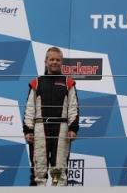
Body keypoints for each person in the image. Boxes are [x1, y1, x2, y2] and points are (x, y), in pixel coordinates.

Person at [23, 47, 79, 186]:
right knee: (38, 171)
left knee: (59, 171)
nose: (54, 62)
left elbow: (73, 107)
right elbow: (30, 108)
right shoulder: (37, 82)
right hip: (40, 128)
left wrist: (73, 128)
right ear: (46, 61)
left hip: (62, 129)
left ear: (61, 62)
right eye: (52, 59)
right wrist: (28, 130)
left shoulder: (68, 83)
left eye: (58, 60)